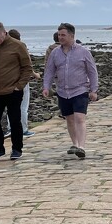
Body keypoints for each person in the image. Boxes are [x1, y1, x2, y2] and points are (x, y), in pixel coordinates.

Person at [42, 22, 98, 159]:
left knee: (80, 118)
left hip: (80, 90)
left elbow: (92, 71)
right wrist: (46, 87)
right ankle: (75, 143)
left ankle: (81, 147)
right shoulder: (55, 53)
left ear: (71, 35)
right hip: (62, 91)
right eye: (59, 35)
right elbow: (49, 71)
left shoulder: (83, 52)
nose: (60, 37)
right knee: (70, 119)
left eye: (63, 35)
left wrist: (94, 90)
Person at [0, 21, 33, 161]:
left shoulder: (18, 46)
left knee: (15, 120)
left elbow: (27, 67)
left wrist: (19, 86)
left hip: (13, 91)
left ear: (4, 33)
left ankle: (17, 149)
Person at [7, 29, 36, 136]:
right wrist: (35, 74)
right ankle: (23, 129)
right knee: (23, 107)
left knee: (10, 106)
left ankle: (10, 128)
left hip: (8, 81)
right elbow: (26, 65)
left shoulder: (4, 48)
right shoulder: (21, 46)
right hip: (21, 81)